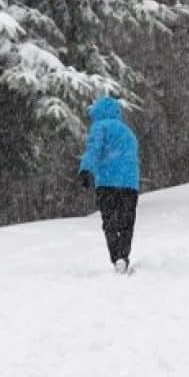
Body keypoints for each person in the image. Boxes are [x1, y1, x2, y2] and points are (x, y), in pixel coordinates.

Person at [78, 95, 140, 274]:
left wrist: (85, 170)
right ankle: (123, 256)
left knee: (110, 221)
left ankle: (116, 257)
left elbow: (94, 149)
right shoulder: (128, 132)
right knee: (127, 223)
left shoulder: (100, 127)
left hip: (107, 182)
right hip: (129, 185)